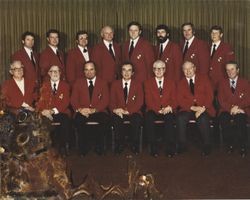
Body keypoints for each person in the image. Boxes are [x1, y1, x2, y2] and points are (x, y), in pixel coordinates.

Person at [176, 61, 215, 156]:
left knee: (203, 118)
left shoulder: (204, 78)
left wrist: (202, 108)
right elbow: (180, 99)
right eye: (185, 69)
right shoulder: (180, 83)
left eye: (190, 68)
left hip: (204, 107)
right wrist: (193, 107)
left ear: (194, 68)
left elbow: (210, 95)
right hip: (188, 108)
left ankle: (207, 145)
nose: (188, 71)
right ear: (183, 71)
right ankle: (182, 144)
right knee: (180, 118)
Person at [71, 61, 109, 156]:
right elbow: (73, 99)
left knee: (104, 120)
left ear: (95, 70)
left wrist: (94, 110)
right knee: (79, 120)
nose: (89, 72)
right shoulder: (78, 83)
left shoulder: (103, 83)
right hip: (83, 111)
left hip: (98, 111)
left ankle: (99, 147)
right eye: (86, 70)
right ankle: (83, 148)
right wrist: (80, 109)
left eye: (91, 69)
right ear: (83, 72)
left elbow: (105, 100)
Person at [144, 60, 177, 157]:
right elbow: (148, 100)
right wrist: (157, 109)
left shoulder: (171, 82)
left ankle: (169, 147)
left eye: (161, 68)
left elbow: (175, 99)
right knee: (149, 118)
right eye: (156, 69)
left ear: (165, 70)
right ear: (153, 70)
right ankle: (153, 147)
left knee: (170, 118)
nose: (159, 71)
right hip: (153, 109)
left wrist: (169, 107)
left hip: (167, 109)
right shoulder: (147, 83)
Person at [109, 62, 143, 154]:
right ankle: (119, 144)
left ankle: (134, 144)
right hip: (119, 111)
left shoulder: (138, 84)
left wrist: (128, 111)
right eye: (124, 70)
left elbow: (140, 102)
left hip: (133, 111)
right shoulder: (115, 84)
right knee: (116, 119)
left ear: (132, 73)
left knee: (136, 119)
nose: (126, 73)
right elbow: (111, 101)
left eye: (129, 70)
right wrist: (116, 110)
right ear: (121, 72)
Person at [36, 65, 71, 156]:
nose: (55, 73)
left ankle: (63, 146)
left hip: (61, 111)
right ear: (49, 73)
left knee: (64, 121)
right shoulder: (44, 86)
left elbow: (65, 102)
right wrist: (44, 111)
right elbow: (41, 101)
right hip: (47, 112)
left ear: (60, 73)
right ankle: (46, 147)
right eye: (52, 71)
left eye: (57, 71)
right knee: (42, 122)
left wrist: (52, 111)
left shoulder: (65, 86)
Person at [218, 61, 250, 157]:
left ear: (238, 70)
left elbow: (248, 98)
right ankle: (230, 144)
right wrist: (231, 108)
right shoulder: (222, 83)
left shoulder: (245, 82)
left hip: (241, 109)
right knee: (224, 119)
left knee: (241, 120)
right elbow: (221, 99)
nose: (230, 72)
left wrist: (238, 107)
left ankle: (243, 146)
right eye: (227, 70)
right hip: (226, 109)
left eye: (232, 69)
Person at [209, 25, 235, 90]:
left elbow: (230, 66)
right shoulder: (206, 46)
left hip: (221, 82)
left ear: (221, 35)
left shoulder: (227, 48)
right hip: (208, 82)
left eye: (216, 33)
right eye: (212, 33)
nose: (214, 35)